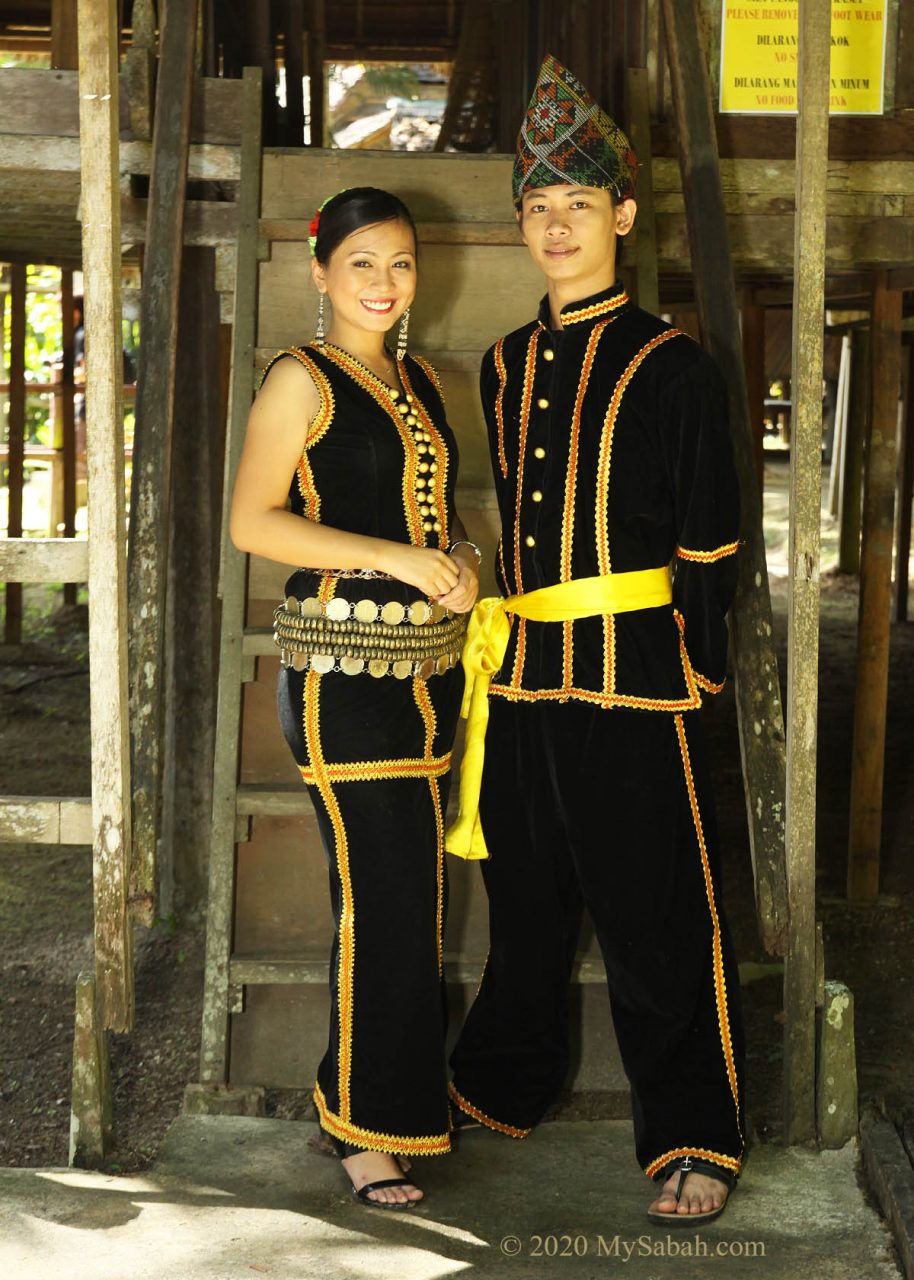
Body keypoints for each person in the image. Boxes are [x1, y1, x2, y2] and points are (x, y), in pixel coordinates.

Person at [445, 56, 745, 1226]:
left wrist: (697, 668)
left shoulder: (674, 366)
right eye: (536, 207)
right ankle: (498, 1082)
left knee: (654, 914)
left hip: (633, 680)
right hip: (520, 675)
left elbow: (711, 544)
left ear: (621, 215)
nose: (555, 225)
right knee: (523, 901)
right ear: (520, 223)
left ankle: (690, 1132)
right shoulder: (504, 364)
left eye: (577, 204)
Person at [230, 187, 481, 1209]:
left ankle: (387, 1095)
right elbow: (254, 520)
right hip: (338, 679)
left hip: (427, 675)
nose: (384, 284)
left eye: (401, 264)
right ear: (319, 269)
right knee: (376, 893)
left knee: (412, 896)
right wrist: (393, 558)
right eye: (363, 263)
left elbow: (434, 508)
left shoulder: (417, 376)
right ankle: (358, 1123)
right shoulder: (299, 378)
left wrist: (458, 558)